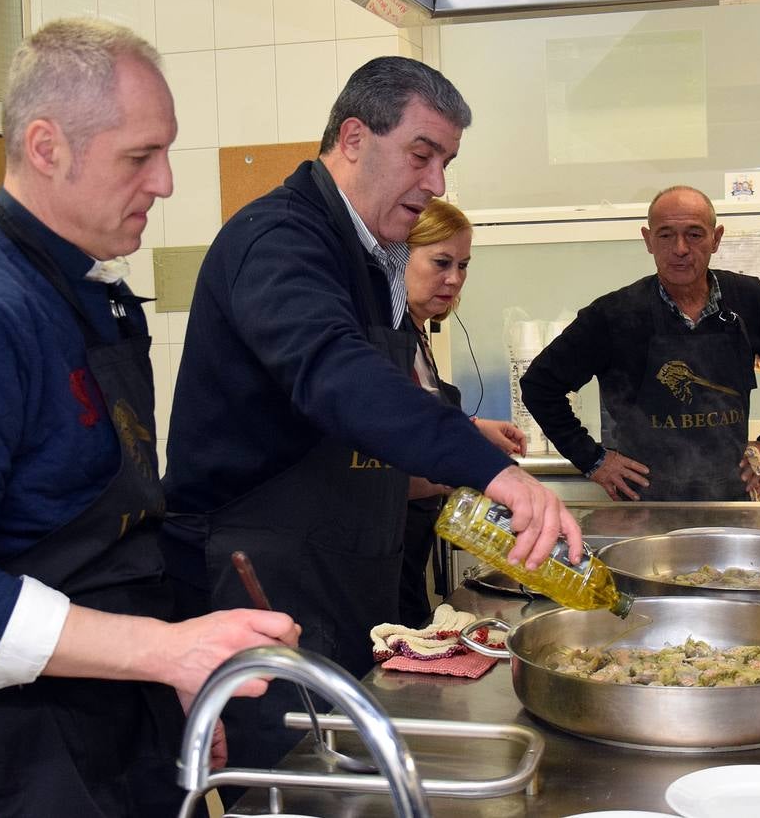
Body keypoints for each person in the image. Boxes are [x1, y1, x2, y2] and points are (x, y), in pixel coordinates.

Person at [161, 56, 582, 769]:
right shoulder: (279, 241)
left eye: (446, 160)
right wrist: (492, 471)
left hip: (350, 582)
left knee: (356, 780)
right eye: (422, 154)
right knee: (292, 790)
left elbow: (371, 422)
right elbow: (337, 375)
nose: (438, 182)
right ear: (354, 137)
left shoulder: (374, 257)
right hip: (261, 586)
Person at [0, 18, 299, 818]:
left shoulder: (93, 296)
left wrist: (173, 675)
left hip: (110, 721)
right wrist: (164, 650)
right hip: (8, 752)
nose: (166, 183)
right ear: (46, 147)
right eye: (141, 156)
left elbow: (123, 532)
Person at [520, 185, 760, 502]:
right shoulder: (614, 314)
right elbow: (540, 385)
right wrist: (593, 460)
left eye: (694, 234)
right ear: (648, 240)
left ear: (716, 238)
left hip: (731, 497)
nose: (680, 248)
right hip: (645, 503)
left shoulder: (750, 299)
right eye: (665, 235)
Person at [401, 199, 526, 627]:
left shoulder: (416, 335)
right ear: (399, 254)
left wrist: (473, 429)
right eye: (440, 262)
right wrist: (473, 471)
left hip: (409, 551)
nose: (454, 279)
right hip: (376, 554)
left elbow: (419, 420)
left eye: (464, 265)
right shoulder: (379, 343)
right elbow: (377, 471)